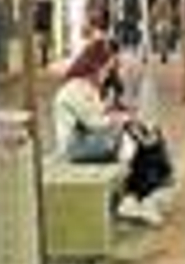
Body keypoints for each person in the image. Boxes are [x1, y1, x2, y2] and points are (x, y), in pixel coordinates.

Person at [52, 38, 171, 226]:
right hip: (76, 148)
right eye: (107, 68)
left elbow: (100, 118)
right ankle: (138, 197)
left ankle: (139, 197)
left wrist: (123, 118)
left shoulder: (87, 88)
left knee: (145, 138)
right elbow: (95, 122)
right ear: (95, 65)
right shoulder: (75, 89)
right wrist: (122, 118)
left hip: (90, 142)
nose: (108, 73)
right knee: (137, 144)